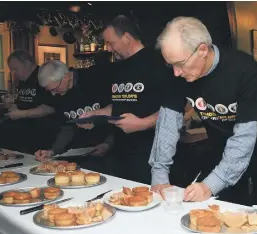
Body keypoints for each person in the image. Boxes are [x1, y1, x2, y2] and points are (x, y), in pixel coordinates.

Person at [150, 16, 257, 206]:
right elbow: (167, 125)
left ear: (202, 50)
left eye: (180, 64)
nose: (175, 72)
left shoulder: (243, 69)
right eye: (170, 65)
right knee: (225, 208)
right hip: (222, 146)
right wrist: (160, 176)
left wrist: (210, 185)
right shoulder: (177, 73)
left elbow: (244, 137)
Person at [77, 15, 186, 184]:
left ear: (127, 37)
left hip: (152, 155)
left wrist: (143, 123)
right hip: (120, 154)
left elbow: (180, 108)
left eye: (111, 43)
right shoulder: (118, 67)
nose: (109, 48)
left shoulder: (159, 61)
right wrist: (96, 114)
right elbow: (120, 103)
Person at [34, 60, 110, 162]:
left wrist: (108, 144)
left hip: (111, 150)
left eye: (55, 89)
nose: (53, 94)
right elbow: (67, 127)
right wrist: (52, 151)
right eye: (49, 90)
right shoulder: (59, 94)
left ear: (66, 77)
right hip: (80, 152)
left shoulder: (96, 79)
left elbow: (119, 111)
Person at [0, 50, 56, 153]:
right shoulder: (23, 80)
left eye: (15, 69)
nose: (13, 73)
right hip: (24, 133)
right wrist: (13, 106)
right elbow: (23, 102)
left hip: (41, 134)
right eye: (12, 70)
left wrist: (20, 114)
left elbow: (50, 107)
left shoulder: (43, 76)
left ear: (27, 63)